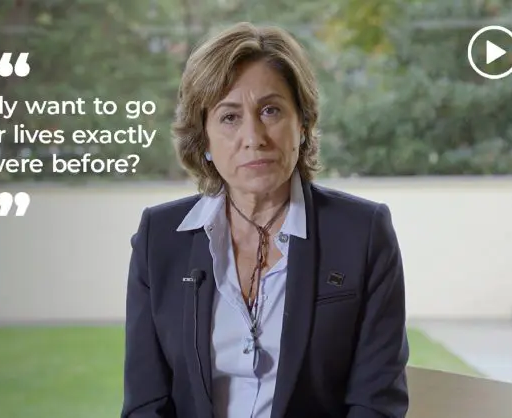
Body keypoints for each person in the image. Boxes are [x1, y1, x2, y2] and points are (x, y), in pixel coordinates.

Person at [121, 21, 409, 418]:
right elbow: (145, 403)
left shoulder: (363, 232)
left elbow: (375, 402)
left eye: (270, 110)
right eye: (229, 117)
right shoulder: (159, 238)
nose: (253, 136)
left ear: (302, 124)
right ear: (204, 139)